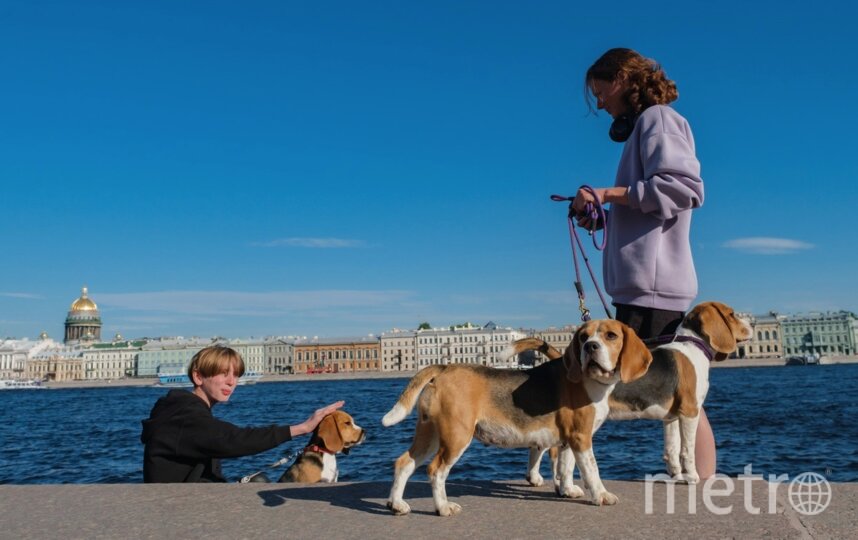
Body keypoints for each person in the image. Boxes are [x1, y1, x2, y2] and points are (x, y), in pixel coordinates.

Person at [571, 48, 715, 479]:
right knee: (678, 394)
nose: (599, 103)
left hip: (654, 290)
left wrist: (608, 195)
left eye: (600, 91)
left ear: (622, 79)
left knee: (682, 396)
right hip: (645, 288)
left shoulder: (658, 120)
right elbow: (652, 204)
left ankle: (705, 482)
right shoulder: (645, 129)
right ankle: (702, 480)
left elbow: (683, 189)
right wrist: (603, 215)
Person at [141, 345, 344, 483]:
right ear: (198, 376)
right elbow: (233, 440)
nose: (232, 381)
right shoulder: (183, 417)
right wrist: (303, 428)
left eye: (236, 374)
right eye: (224, 373)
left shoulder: (182, 411)